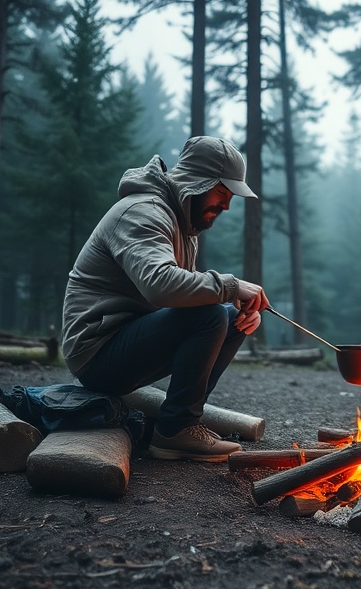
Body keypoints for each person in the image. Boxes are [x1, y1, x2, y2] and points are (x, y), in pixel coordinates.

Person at [61, 135, 269, 462]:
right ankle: (175, 431)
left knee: (227, 316)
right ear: (198, 182)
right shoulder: (142, 212)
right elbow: (160, 286)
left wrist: (241, 312)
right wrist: (230, 286)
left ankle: (179, 421)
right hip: (96, 351)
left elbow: (186, 295)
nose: (227, 206)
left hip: (129, 341)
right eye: (222, 192)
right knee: (212, 314)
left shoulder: (180, 223)